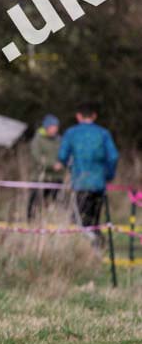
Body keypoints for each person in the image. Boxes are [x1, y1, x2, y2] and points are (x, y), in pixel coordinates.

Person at [54, 102, 119, 247]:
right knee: (94, 220)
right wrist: (108, 175)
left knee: (80, 220)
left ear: (78, 116)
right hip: (98, 185)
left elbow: (63, 155)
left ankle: (93, 247)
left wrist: (60, 162)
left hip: (80, 184)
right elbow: (113, 156)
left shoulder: (71, 133)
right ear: (94, 116)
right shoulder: (103, 133)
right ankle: (96, 248)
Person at [27, 114, 64, 220]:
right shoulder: (37, 140)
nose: (55, 129)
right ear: (47, 127)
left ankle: (60, 221)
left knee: (60, 202)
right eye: (53, 127)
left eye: (56, 127)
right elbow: (37, 157)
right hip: (40, 178)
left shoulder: (59, 140)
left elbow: (64, 154)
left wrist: (62, 163)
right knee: (34, 202)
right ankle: (31, 221)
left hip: (57, 178)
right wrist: (52, 164)